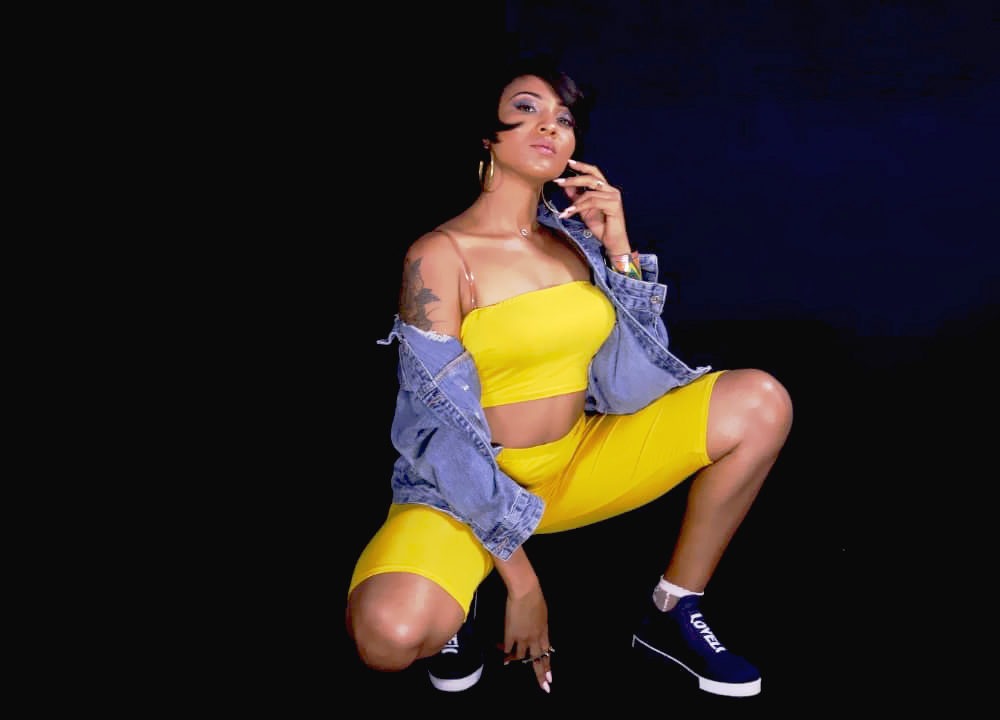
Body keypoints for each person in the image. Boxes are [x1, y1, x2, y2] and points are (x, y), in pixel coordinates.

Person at [344, 53, 793, 699]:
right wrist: (524, 586)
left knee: (760, 401)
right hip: (465, 491)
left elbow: (636, 385)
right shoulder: (438, 256)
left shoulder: (573, 242)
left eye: (563, 118)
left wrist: (618, 250)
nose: (549, 127)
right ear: (487, 135)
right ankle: (463, 599)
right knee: (388, 638)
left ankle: (672, 611)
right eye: (526, 109)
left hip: (577, 463)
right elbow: (437, 435)